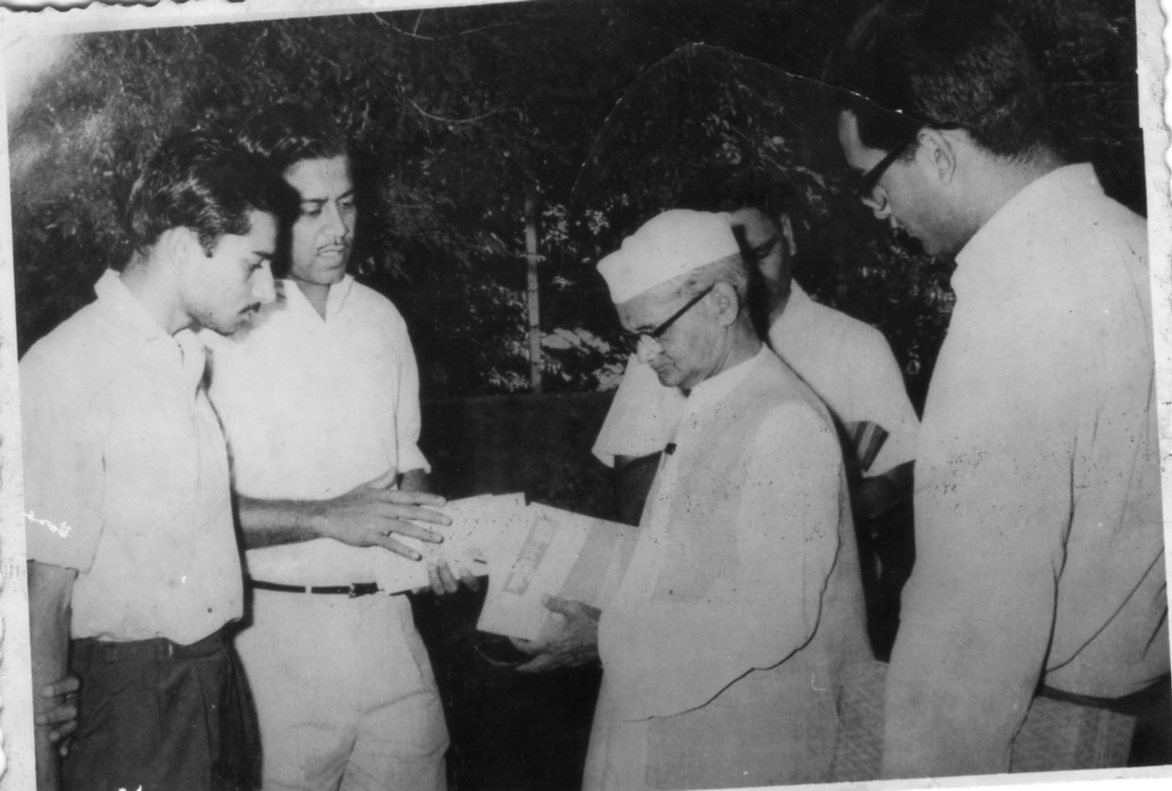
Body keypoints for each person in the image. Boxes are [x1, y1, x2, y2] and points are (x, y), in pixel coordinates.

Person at [827, 0, 1168, 777]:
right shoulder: (1140, 247)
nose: (877, 208)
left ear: (937, 151)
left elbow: (967, 649)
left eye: (873, 180)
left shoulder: (1012, 311)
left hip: (1052, 736)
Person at [517, 209, 871, 790]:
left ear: (723, 304)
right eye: (633, 336)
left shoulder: (784, 421)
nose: (644, 354)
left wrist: (603, 637)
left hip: (748, 741)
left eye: (654, 331)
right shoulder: (711, 396)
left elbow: (773, 617)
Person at [22, 130, 293, 790]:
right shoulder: (69, 366)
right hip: (136, 705)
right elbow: (42, 591)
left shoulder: (181, 359)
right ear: (182, 245)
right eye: (253, 263)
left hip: (213, 681)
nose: (266, 289)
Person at [205, 104, 458, 791]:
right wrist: (323, 517)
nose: (339, 229)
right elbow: (189, 513)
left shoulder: (381, 317)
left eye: (346, 204)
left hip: (391, 636)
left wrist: (437, 541)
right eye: (313, 210)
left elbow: (407, 464)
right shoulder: (222, 328)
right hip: (273, 642)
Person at [593, 174, 919, 652]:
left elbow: (910, 465)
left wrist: (844, 505)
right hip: (688, 611)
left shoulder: (842, 358)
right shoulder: (671, 353)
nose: (745, 278)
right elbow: (633, 495)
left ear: (788, 234)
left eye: (759, 254)